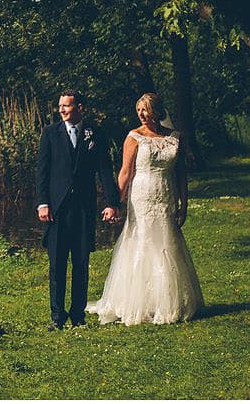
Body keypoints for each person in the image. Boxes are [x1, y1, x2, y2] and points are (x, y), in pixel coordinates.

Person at [88, 91, 205, 324]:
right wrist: (114, 203)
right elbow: (125, 171)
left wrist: (184, 203)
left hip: (165, 195)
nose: (142, 114)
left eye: (146, 109)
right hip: (141, 196)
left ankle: (169, 301)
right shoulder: (134, 137)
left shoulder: (174, 138)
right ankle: (137, 301)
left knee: (167, 243)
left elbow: (181, 173)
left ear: (157, 111)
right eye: (139, 110)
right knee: (142, 241)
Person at [34, 90, 118, 329]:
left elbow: (104, 170)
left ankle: (78, 316)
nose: (61, 109)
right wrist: (43, 203)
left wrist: (111, 203)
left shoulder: (95, 134)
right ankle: (57, 317)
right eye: (60, 106)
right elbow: (42, 171)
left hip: (83, 209)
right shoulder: (50, 134)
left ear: (80, 107)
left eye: (66, 106)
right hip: (56, 211)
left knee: (81, 263)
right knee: (57, 265)